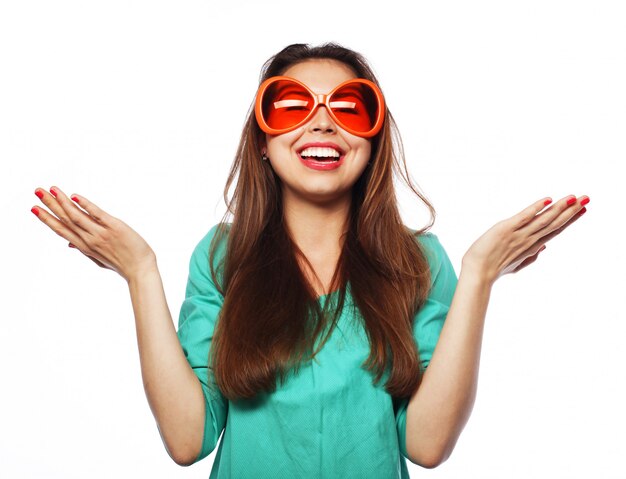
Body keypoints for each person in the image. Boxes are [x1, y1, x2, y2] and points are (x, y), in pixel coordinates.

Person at [30, 42, 589, 478]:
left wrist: (479, 276)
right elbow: (186, 440)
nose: (322, 122)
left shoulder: (419, 261)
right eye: (293, 105)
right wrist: (140, 272)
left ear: (372, 143)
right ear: (262, 142)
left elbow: (426, 446)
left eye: (349, 107)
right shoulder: (222, 256)